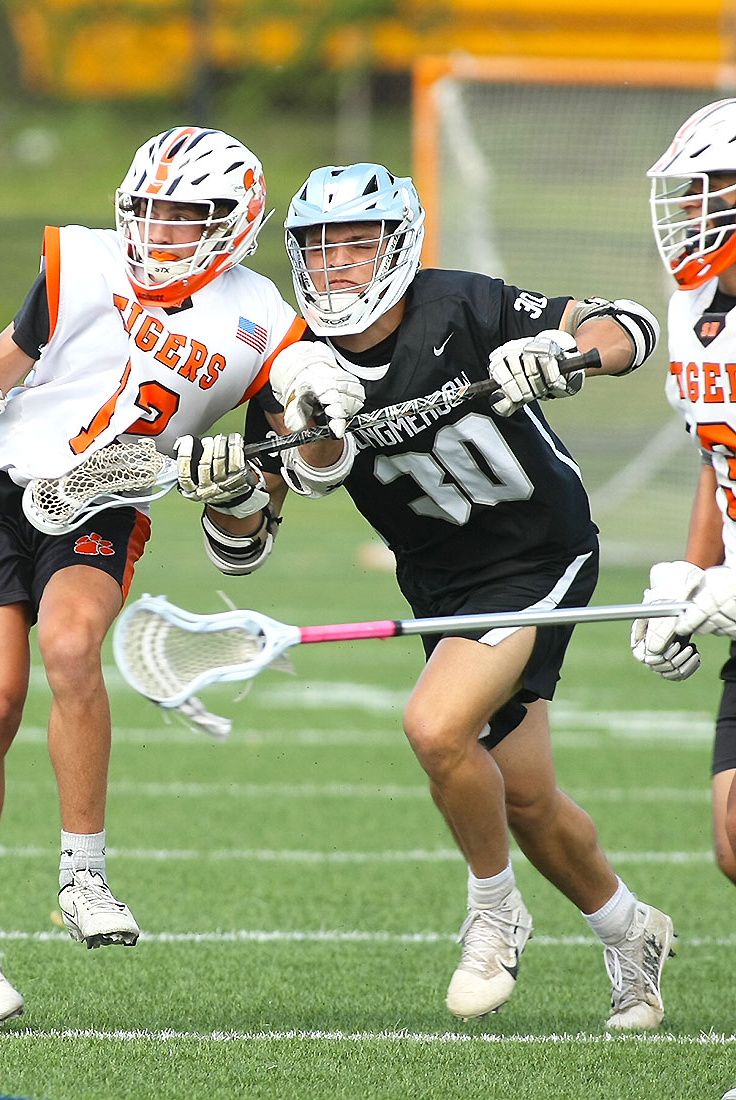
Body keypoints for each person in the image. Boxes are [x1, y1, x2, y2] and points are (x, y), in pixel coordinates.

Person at [173, 161, 675, 1029]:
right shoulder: (293, 368)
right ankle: (630, 929)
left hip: (538, 553)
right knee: (522, 796)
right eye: (318, 250)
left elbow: (623, 325)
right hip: (442, 587)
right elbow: (246, 550)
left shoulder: (458, 305)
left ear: (398, 243)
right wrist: (228, 493)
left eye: (356, 244)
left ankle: (492, 912)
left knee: (434, 726)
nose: (336, 268)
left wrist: (566, 357)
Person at [0, 125, 306, 1027]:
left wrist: (238, 486)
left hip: (106, 499)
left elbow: (267, 505)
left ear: (234, 222)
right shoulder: (81, 266)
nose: (159, 232)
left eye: (184, 215)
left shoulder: (269, 326)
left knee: (75, 643)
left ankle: (82, 873)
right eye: (149, 212)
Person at [633, 99, 736, 901]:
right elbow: (715, 457)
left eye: (712, 189)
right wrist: (686, 578)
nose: (693, 210)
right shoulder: (691, 309)